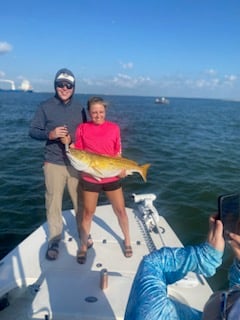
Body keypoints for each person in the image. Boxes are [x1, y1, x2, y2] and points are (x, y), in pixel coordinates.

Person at [124, 216, 240, 320]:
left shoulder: (150, 316)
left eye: (228, 297)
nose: (230, 291)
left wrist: (205, 256)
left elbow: (153, 263)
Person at [29, 68, 86, 260]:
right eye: (60, 84)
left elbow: (86, 134)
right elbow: (33, 131)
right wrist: (50, 134)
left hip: (76, 162)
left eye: (68, 85)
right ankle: (54, 239)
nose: (64, 88)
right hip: (53, 162)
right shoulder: (45, 106)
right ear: (55, 85)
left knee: (80, 200)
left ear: (73, 87)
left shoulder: (80, 108)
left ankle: (84, 233)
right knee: (53, 202)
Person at [67, 96, 132, 264]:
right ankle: (83, 245)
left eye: (101, 112)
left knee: (121, 211)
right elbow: (79, 152)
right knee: (88, 213)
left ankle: (127, 240)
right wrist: (70, 147)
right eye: (94, 112)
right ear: (89, 112)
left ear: (105, 112)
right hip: (90, 177)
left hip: (111, 175)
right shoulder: (82, 128)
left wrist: (122, 170)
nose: (98, 115)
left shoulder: (114, 128)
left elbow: (118, 153)